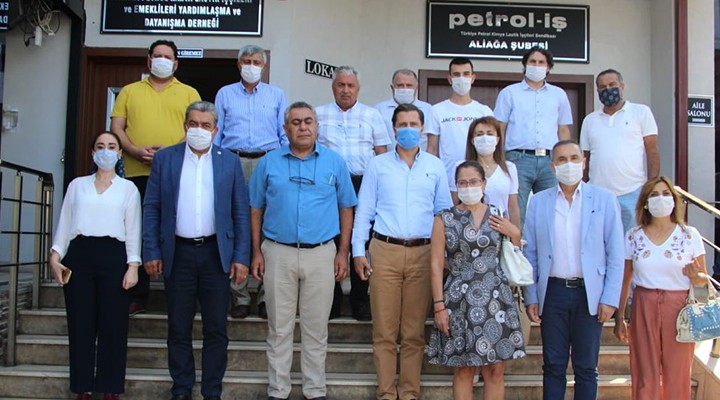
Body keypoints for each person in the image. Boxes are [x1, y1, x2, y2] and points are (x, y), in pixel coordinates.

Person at [143, 101, 251, 400]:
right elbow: (151, 207)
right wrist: (151, 250)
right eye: (193, 124)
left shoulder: (229, 162)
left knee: (216, 329)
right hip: (178, 254)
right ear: (185, 126)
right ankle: (181, 389)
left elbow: (240, 212)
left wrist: (241, 257)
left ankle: (211, 391)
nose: (199, 130)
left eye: (206, 125)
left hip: (216, 255)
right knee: (178, 327)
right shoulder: (165, 159)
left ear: (215, 130)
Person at [250, 101, 357, 400]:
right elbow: (255, 208)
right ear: (285, 129)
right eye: (295, 122)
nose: (303, 127)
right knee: (279, 328)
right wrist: (256, 252)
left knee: (316, 329)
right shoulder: (268, 163)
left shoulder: (334, 162)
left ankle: (315, 390)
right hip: (277, 253)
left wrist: (343, 252)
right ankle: (278, 390)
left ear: (317, 127)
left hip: (321, 254)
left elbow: (346, 207)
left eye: (308, 121)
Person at [352, 103, 452, 400]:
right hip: (385, 250)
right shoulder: (378, 165)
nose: (408, 129)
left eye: (413, 124)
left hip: (423, 252)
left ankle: (408, 393)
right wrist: (358, 250)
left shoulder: (435, 165)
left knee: (413, 332)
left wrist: (445, 254)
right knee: (384, 331)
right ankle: (386, 392)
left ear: (422, 129)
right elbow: (364, 209)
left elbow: (443, 212)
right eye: (402, 124)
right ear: (394, 128)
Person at [522, 140, 624, 400]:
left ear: (584, 162)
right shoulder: (539, 202)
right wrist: (531, 296)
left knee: (586, 367)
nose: (569, 164)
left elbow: (615, 253)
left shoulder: (604, 199)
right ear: (552, 166)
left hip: (589, 294)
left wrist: (610, 298)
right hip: (553, 292)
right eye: (562, 159)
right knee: (553, 365)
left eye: (574, 158)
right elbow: (530, 252)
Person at [111, 39, 201, 316]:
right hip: (136, 172)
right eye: (157, 55)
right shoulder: (129, 91)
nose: (162, 60)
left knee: (178, 229)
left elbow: (196, 130)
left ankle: (184, 295)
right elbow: (117, 127)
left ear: (176, 63)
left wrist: (169, 154)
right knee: (137, 231)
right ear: (149, 60)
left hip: (176, 173)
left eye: (168, 56)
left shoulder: (189, 93)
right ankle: (138, 293)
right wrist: (134, 150)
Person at [49, 132, 141, 400]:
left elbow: (133, 229)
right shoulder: (77, 185)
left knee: (113, 324)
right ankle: (83, 387)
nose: (106, 151)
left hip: (114, 256)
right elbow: (65, 222)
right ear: (92, 153)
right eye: (100, 146)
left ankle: (110, 387)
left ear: (120, 153)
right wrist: (55, 255)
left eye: (112, 146)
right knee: (80, 323)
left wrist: (133, 265)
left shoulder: (128, 189)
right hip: (80, 254)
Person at [428, 161, 526, 400]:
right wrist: (439, 306)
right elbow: (436, 265)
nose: (468, 186)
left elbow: (514, 252)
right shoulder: (444, 218)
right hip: (459, 300)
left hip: (496, 299)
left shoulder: (497, 215)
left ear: (483, 184)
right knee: (464, 368)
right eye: (462, 183)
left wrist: (514, 232)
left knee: (496, 369)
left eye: (473, 181)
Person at [615, 176, 707, 400]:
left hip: (679, 308)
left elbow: (703, 282)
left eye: (666, 194)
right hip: (643, 304)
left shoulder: (689, 235)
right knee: (645, 374)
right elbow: (625, 279)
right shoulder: (634, 236)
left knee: (678, 373)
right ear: (645, 202)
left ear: (675, 201)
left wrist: (695, 276)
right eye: (654, 194)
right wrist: (620, 317)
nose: (661, 199)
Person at [214, 44, 288, 320]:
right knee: (236, 225)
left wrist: (283, 164)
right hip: (232, 161)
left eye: (256, 61)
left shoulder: (276, 94)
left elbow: (283, 133)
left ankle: (266, 296)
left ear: (264, 66)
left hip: (267, 161)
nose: (251, 66)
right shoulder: (225, 94)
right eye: (246, 61)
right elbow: (217, 133)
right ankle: (240, 296)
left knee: (269, 226)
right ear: (238, 64)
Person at [316, 65, 389, 321]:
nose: (345, 90)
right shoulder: (318, 114)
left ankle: (360, 300)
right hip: (328, 187)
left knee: (363, 242)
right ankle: (332, 300)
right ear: (333, 87)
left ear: (358, 88)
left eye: (350, 85)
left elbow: (382, 154)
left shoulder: (372, 115)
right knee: (331, 241)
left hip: (363, 185)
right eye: (341, 85)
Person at [460, 116, 532, 348]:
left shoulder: (509, 168)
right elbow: (457, 205)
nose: (485, 139)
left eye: (490, 134)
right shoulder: (464, 167)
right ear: (472, 140)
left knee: (499, 295)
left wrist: (515, 236)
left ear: (499, 139)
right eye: (479, 134)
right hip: (472, 240)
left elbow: (513, 207)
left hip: (500, 239)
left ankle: (499, 347)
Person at [494, 46, 573, 225]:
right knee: (516, 210)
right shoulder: (509, 93)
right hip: (518, 159)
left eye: (541, 62)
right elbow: (500, 128)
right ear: (525, 65)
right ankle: (517, 242)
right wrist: (499, 158)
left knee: (552, 210)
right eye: (532, 61)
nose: (536, 66)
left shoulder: (559, 94)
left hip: (550, 161)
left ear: (548, 67)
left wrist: (566, 159)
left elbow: (563, 129)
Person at [581, 68, 660, 233]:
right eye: (602, 87)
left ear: (622, 86)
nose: (608, 89)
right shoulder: (590, 120)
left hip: (632, 193)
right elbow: (585, 158)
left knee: (631, 241)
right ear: (597, 91)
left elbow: (652, 151)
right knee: (598, 241)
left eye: (612, 85)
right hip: (598, 194)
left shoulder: (641, 112)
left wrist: (651, 186)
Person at [426, 57, 494, 201]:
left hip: (477, 181)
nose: (461, 78)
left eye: (466, 74)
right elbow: (432, 150)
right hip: (448, 181)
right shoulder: (437, 110)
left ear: (473, 78)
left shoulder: (484, 111)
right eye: (456, 74)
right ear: (449, 78)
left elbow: (492, 149)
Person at [373, 69, 433, 149]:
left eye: (409, 85)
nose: (405, 89)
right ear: (392, 87)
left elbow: (432, 142)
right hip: (388, 156)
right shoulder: (378, 110)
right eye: (400, 85)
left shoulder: (429, 110)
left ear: (416, 87)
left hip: (421, 156)